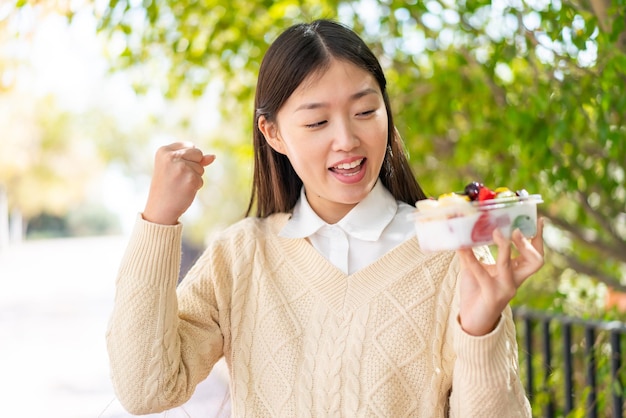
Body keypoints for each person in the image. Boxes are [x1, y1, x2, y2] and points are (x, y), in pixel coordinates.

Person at [106, 19, 544, 417]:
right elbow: (146, 390)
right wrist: (158, 220)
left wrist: (481, 324)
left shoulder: (452, 254)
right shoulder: (240, 257)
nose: (347, 139)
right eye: (317, 122)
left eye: (365, 112)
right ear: (273, 133)